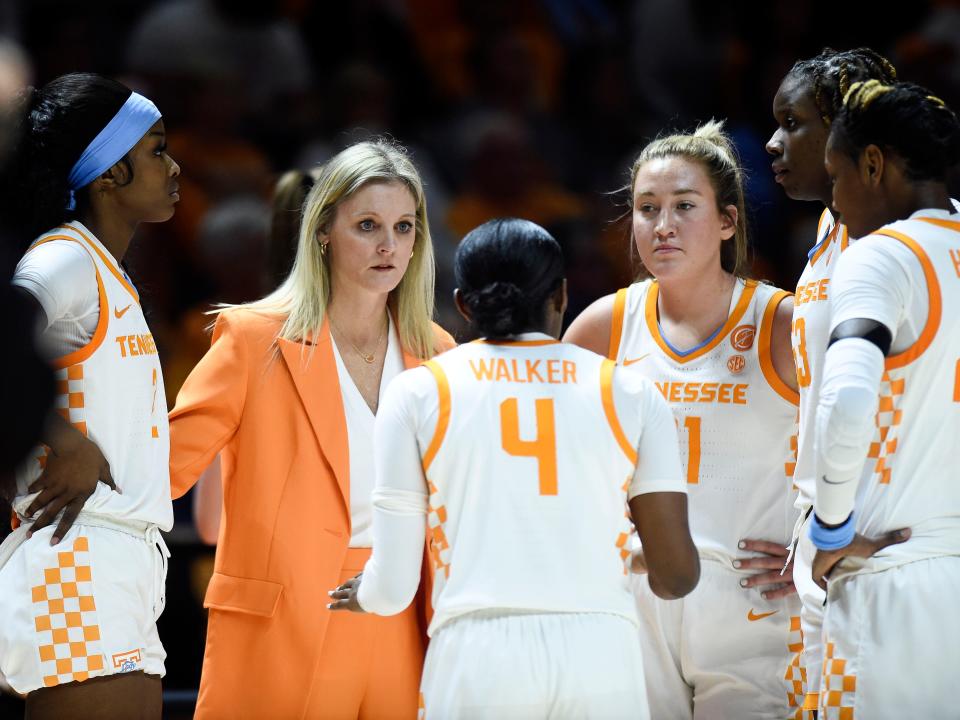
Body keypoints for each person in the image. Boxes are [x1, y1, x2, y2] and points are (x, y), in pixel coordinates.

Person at [329, 217, 699, 719]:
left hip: (477, 653)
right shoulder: (630, 391)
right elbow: (676, 576)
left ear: (463, 304)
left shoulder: (419, 391)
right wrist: (622, 550)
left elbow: (393, 588)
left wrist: (364, 595)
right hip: (602, 653)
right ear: (562, 296)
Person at [167, 138, 455, 719]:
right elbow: (163, 466)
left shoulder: (438, 350)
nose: (388, 245)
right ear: (323, 230)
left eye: (404, 227)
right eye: (367, 225)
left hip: (407, 613)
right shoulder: (252, 338)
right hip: (286, 612)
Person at [564, 121, 801, 718]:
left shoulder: (783, 323)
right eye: (647, 208)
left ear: (727, 221)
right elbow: (559, 473)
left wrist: (823, 544)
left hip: (751, 605)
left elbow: (865, 440)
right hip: (634, 598)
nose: (662, 225)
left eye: (683, 206)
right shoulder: (601, 328)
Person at [0, 72, 180, 718]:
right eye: (156, 150)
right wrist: (60, 435)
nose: (174, 166)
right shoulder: (64, 257)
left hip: (119, 558)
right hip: (77, 553)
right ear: (107, 174)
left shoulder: (108, 270)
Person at [809, 79, 959, 718]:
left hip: (890, 576)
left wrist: (831, 524)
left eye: (837, 177)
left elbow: (845, 400)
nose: (835, 202)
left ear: (874, 164)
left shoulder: (879, 258)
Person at [765, 47, 902, 717]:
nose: (772, 142)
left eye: (792, 122)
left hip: (880, 530)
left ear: (847, 133)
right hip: (830, 527)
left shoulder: (906, 238)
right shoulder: (829, 227)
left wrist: (857, 520)